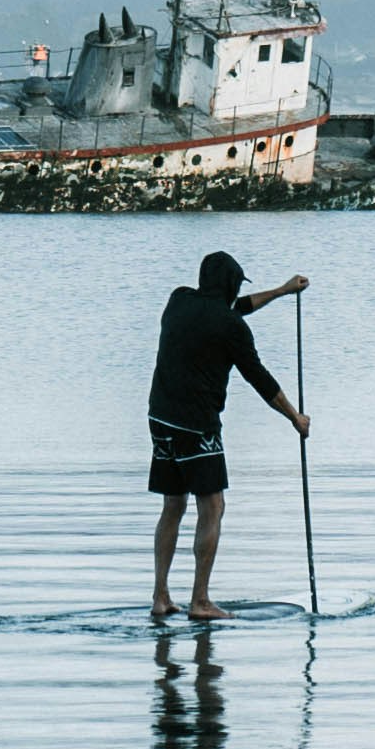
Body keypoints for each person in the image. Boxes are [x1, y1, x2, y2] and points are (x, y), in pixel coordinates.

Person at [147, 247, 306, 620]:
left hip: (160, 419)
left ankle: (161, 598)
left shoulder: (178, 301)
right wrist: (295, 417)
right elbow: (260, 379)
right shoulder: (231, 327)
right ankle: (200, 601)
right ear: (232, 285)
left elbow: (235, 308)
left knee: (173, 505)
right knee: (212, 506)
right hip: (197, 426)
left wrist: (281, 291)